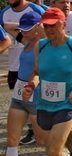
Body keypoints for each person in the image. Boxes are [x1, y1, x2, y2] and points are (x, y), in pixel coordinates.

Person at [26, 7, 72, 156]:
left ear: (63, 25)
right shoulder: (40, 46)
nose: (48, 29)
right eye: (46, 26)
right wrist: (30, 85)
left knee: (53, 151)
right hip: (44, 104)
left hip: (67, 104)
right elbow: (36, 72)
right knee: (52, 146)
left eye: (53, 25)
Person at [5, 10, 46, 156]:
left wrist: (41, 28)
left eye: (28, 29)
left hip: (36, 96)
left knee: (42, 140)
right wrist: (23, 26)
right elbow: (7, 26)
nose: (24, 32)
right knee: (11, 140)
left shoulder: (45, 45)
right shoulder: (26, 41)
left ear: (38, 27)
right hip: (19, 95)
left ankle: (62, 150)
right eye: (23, 29)